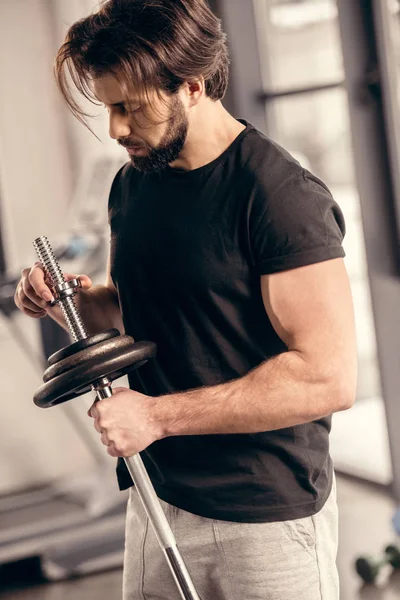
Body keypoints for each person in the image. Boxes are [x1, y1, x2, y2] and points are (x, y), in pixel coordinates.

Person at [14, 0, 358, 598]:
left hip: (264, 513)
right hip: (158, 496)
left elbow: (326, 377)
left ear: (191, 87)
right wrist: (72, 301)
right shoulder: (135, 183)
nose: (117, 129)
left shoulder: (278, 196)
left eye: (129, 108)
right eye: (109, 107)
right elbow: (145, 309)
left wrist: (154, 416)